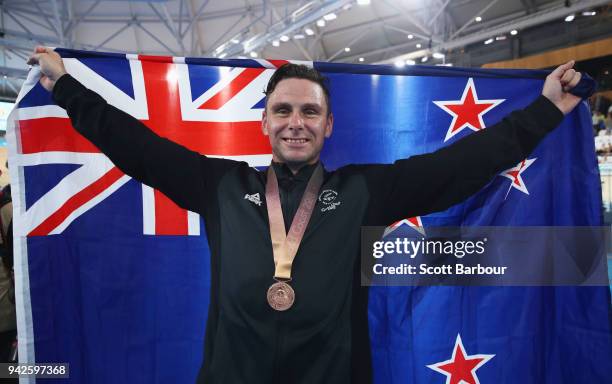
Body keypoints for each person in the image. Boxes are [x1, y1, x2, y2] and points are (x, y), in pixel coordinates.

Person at [27, 46, 582, 384]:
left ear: (329, 125)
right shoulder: (220, 184)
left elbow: (459, 165)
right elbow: (135, 145)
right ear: (263, 124)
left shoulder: (365, 190)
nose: (296, 121)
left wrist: (544, 111)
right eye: (283, 110)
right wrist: (65, 85)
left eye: (310, 111)